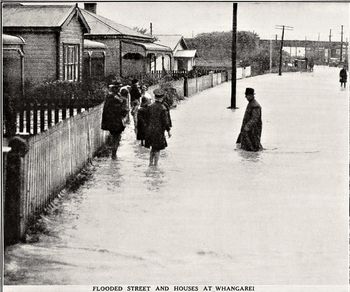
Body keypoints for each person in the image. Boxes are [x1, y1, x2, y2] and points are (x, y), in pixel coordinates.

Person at [101, 82, 129, 159]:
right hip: (116, 121)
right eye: (117, 88)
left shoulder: (110, 97)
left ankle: (113, 153)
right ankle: (114, 154)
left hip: (111, 122)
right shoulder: (115, 98)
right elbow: (121, 110)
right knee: (116, 138)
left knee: (115, 137)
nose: (119, 89)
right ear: (115, 89)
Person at [145, 89, 172, 166]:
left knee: (152, 148)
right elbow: (165, 121)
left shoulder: (149, 107)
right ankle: (155, 165)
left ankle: (150, 163)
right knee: (157, 149)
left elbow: (146, 119)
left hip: (150, 130)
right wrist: (169, 131)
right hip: (158, 131)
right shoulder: (163, 108)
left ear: (155, 97)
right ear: (162, 98)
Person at [236, 87, 263, 152]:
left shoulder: (255, 105)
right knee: (248, 145)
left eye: (247, 95)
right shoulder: (251, 103)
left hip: (253, 129)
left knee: (253, 146)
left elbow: (255, 118)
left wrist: (247, 127)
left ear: (251, 95)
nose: (246, 97)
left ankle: (252, 157)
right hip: (249, 129)